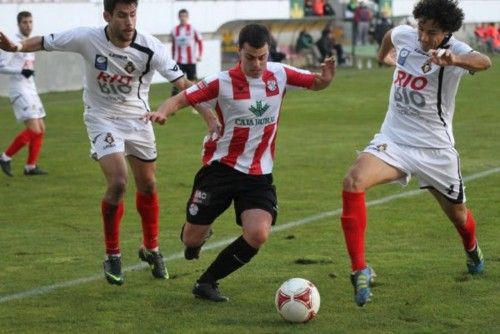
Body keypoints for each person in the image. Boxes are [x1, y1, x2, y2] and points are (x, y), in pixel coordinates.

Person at [0, 0, 217, 286]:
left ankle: (151, 248)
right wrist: (15, 48)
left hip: (138, 120)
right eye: (121, 15)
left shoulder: (151, 47)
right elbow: (44, 41)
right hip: (101, 118)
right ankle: (112, 254)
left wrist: (210, 117)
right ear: (107, 15)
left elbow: (183, 85)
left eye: (133, 14)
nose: (129, 22)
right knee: (118, 181)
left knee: (149, 185)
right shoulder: (87, 37)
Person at [146, 24, 335, 302]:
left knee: (258, 233)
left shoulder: (280, 74)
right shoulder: (221, 82)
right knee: (190, 240)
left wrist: (327, 78)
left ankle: (207, 282)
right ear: (239, 52)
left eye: (262, 57)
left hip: (258, 173)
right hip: (220, 169)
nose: (257, 64)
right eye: (250, 57)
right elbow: (182, 97)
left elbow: (316, 82)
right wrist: (163, 112)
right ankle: (198, 236)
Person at [340, 0, 491, 307]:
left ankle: (472, 248)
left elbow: (484, 61)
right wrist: (385, 57)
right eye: (421, 29)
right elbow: (389, 36)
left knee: (459, 216)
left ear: (446, 31)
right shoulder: (406, 34)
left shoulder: (456, 50)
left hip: (435, 150)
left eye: (432, 33)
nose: (424, 37)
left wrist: (454, 61)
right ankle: (359, 269)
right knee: (353, 181)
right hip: (394, 139)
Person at [0, 11, 47, 177]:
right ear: (18, 24)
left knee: (41, 129)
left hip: (30, 90)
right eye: (25, 22)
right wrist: (20, 70)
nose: (28, 25)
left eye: (30, 22)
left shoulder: (29, 43)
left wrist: (27, 74)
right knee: (34, 130)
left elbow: (29, 68)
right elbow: (1, 66)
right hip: (19, 91)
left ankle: (30, 167)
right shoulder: (11, 43)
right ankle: (5, 157)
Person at [170, 9, 203, 97]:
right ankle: (173, 103)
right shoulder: (174, 30)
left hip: (191, 60)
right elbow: (173, 45)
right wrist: (172, 58)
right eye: (181, 16)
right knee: (177, 81)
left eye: (184, 16)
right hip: (179, 60)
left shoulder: (193, 29)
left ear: (187, 17)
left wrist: (199, 55)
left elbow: (200, 42)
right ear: (178, 17)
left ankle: (195, 103)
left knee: (192, 82)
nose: (183, 18)